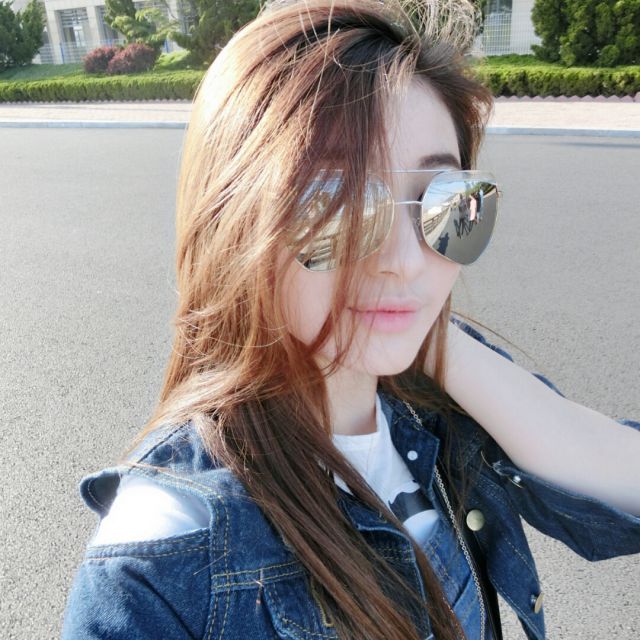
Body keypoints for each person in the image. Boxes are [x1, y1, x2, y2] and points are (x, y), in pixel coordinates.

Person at [61, 1, 640, 639]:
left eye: (445, 201)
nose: (403, 261)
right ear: (236, 224)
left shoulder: (434, 405)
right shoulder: (162, 559)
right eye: (334, 203)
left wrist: (431, 335)